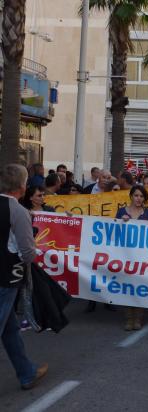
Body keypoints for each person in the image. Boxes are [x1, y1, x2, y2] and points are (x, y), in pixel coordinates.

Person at [0, 164, 48, 390]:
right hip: (6, 278)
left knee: (10, 328)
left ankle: (26, 372)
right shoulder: (17, 211)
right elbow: (27, 253)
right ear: (22, 185)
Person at [115, 186, 148, 330]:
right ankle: (129, 318)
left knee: (139, 287)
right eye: (136, 195)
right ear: (131, 196)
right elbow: (113, 233)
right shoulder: (121, 212)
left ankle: (138, 318)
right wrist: (120, 222)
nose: (139, 199)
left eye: (141, 196)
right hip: (125, 255)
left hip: (142, 257)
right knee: (127, 287)